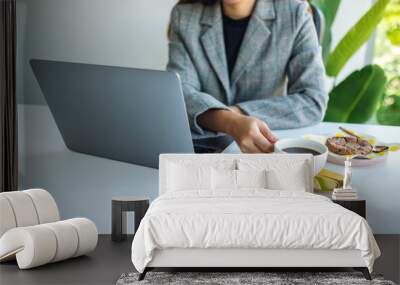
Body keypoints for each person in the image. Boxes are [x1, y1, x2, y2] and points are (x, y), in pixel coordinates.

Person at [167, 0, 327, 153]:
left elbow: (313, 99)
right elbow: (180, 93)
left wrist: (235, 115)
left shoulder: (295, 15)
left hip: (263, 148)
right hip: (204, 150)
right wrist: (229, 122)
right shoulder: (185, 16)